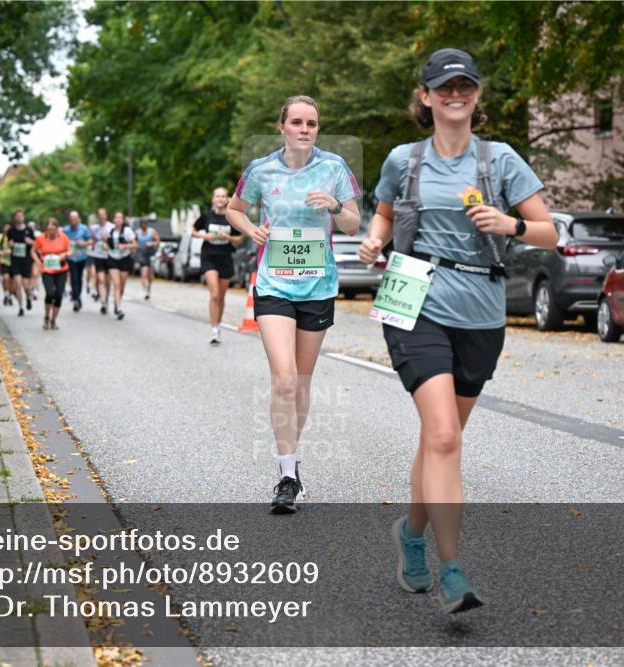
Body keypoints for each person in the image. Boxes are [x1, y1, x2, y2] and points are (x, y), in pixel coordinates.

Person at [358, 48, 557, 614]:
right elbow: (385, 215)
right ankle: (452, 569)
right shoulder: (404, 159)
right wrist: (375, 240)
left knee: (440, 439)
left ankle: (411, 534)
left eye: (464, 86)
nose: (454, 94)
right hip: (413, 296)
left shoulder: (501, 161)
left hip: (481, 309)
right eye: (443, 86)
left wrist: (510, 223)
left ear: (476, 96)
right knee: (443, 435)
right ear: (425, 97)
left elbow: (550, 234)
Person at [225, 95, 361, 513]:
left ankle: (293, 460)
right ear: (282, 126)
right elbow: (234, 210)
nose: (305, 130)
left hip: (318, 286)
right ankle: (287, 475)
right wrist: (252, 229)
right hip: (273, 286)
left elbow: (355, 222)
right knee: (284, 379)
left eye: (312, 124)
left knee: (301, 382)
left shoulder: (334, 167)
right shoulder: (261, 170)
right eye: (297, 122)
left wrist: (335, 205)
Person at [194, 187, 244, 344]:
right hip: (209, 256)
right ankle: (214, 330)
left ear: (228, 198)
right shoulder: (206, 216)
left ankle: (218, 325)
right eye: (218, 196)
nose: (220, 199)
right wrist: (205, 235)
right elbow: (193, 231)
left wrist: (228, 237)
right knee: (214, 294)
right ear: (213, 199)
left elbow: (241, 239)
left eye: (223, 196)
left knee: (221, 297)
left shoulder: (232, 217)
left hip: (225, 257)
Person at [31, 218, 70, 330]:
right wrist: (38, 261)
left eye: (53, 229)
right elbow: (33, 251)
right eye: (49, 229)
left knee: (58, 295)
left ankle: (54, 320)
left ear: (57, 229)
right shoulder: (41, 238)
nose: (51, 232)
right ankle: (47, 317)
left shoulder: (63, 237)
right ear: (46, 229)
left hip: (61, 269)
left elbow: (70, 250)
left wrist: (65, 254)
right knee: (50, 293)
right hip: (47, 269)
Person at [104, 211, 136, 320]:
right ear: (113, 220)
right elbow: (106, 242)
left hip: (125, 259)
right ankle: (119, 308)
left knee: (121, 286)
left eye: (120, 218)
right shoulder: (110, 230)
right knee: (116, 284)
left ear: (123, 220)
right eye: (116, 218)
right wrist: (106, 246)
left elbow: (135, 244)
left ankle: (116, 302)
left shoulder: (127, 231)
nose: (118, 220)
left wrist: (126, 245)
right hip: (112, 259)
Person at [7, 209, 36, 316]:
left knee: (25, 285)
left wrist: (30, 242)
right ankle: (21, 307)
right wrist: (10, 244)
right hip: (15, 260)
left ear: (23, 217)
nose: (19, 218)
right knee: (18, 284)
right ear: (15, 218)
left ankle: (28, 297)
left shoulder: (29, 230)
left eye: (20, 216)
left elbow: (35, 243)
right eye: (17, 216)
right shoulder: (11, 231)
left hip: (26, 260)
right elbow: (9, 243)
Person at [63, 210, 92, 311]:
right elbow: (62, 242)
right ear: (69, 220)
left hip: (82, 257)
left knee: (79, 278)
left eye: (75, 219)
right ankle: (75, 298)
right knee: (73, 277)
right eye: (72, 219)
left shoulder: (84, 228)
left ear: (78, 219)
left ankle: (78, 296)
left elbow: (91, 240)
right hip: (71, 258)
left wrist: (83, 244)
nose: (74, 221)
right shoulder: (66, 230)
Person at [92, 208, 114, 313]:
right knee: (100, 279)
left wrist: (106, 241)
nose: (101, 216)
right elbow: (91, 240)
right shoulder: (94, 228)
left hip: (109, 256)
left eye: (103, 214)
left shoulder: (111, 227)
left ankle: (106, 297)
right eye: (99, 214)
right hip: (98, 255)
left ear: (106, 215)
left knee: (107, 280)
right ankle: (103, 302)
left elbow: (115, 242)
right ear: (97, 216)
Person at [136, 218, 161, 302]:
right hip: (142, 254)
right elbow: (133, 242)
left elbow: (158, 241)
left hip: (150, 254)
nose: (144, 225)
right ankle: (146, 291)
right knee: (144, 273)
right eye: (142, 224)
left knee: (150, 274)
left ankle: (149, 287)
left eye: (145, 224)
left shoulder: (152, 232)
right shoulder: (137, 232)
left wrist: (152, 243)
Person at [0, 223, 13, 305]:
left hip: (13, 261)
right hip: (3, 261)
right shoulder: (0, 237)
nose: (7, 228)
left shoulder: (14, 237)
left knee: (12, 281)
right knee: (5, 278)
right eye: (6, 227)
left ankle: (10, 295)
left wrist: (7, 252)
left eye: (9, 227)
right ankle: (6, 294)